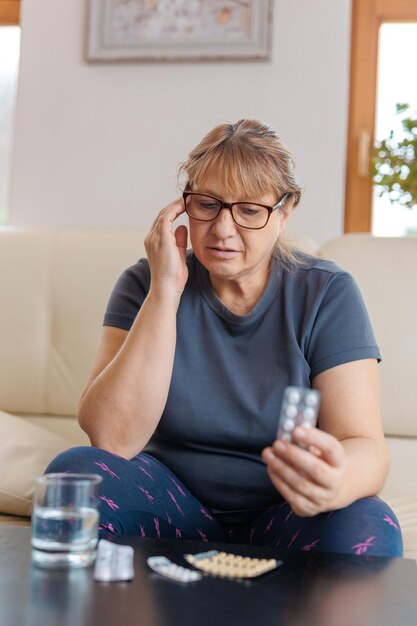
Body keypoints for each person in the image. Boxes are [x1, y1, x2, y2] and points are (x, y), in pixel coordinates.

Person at [46, 119, 403, 557]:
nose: (223, 229)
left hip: (285, 510)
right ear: (183, 206)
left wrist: (333, 482)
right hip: (171, 507)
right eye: (208, 205)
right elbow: (112, 439)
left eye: (250, 210)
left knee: (369, 525)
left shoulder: (327, 293)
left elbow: (366, 447)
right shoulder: (145, 283)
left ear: (284, 213)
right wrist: (165, 292)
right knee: (74, 478)